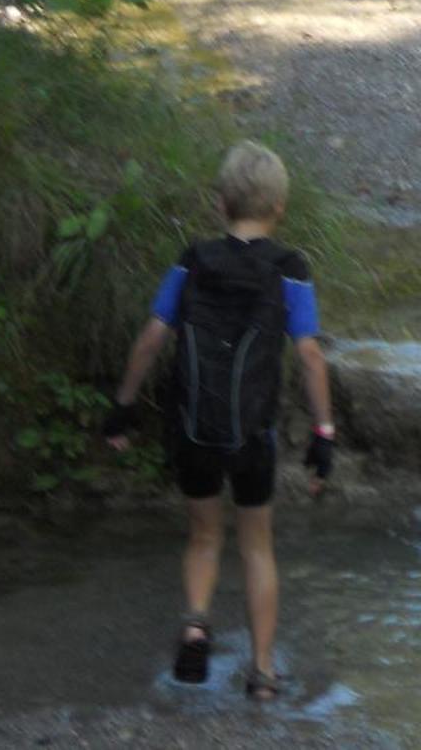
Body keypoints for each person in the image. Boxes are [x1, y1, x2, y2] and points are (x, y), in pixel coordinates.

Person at [102, 141, 335, 704]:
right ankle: (261, 674)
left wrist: (124, 405)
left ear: (220, 203)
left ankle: (195, 624)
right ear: (279, 207)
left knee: (204, 534)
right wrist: (324, 433)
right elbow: (308, 355)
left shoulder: (193, 259)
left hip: (192, 427)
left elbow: (153, 336)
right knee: (257, 546)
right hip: (253, 432)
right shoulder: (291, 270)